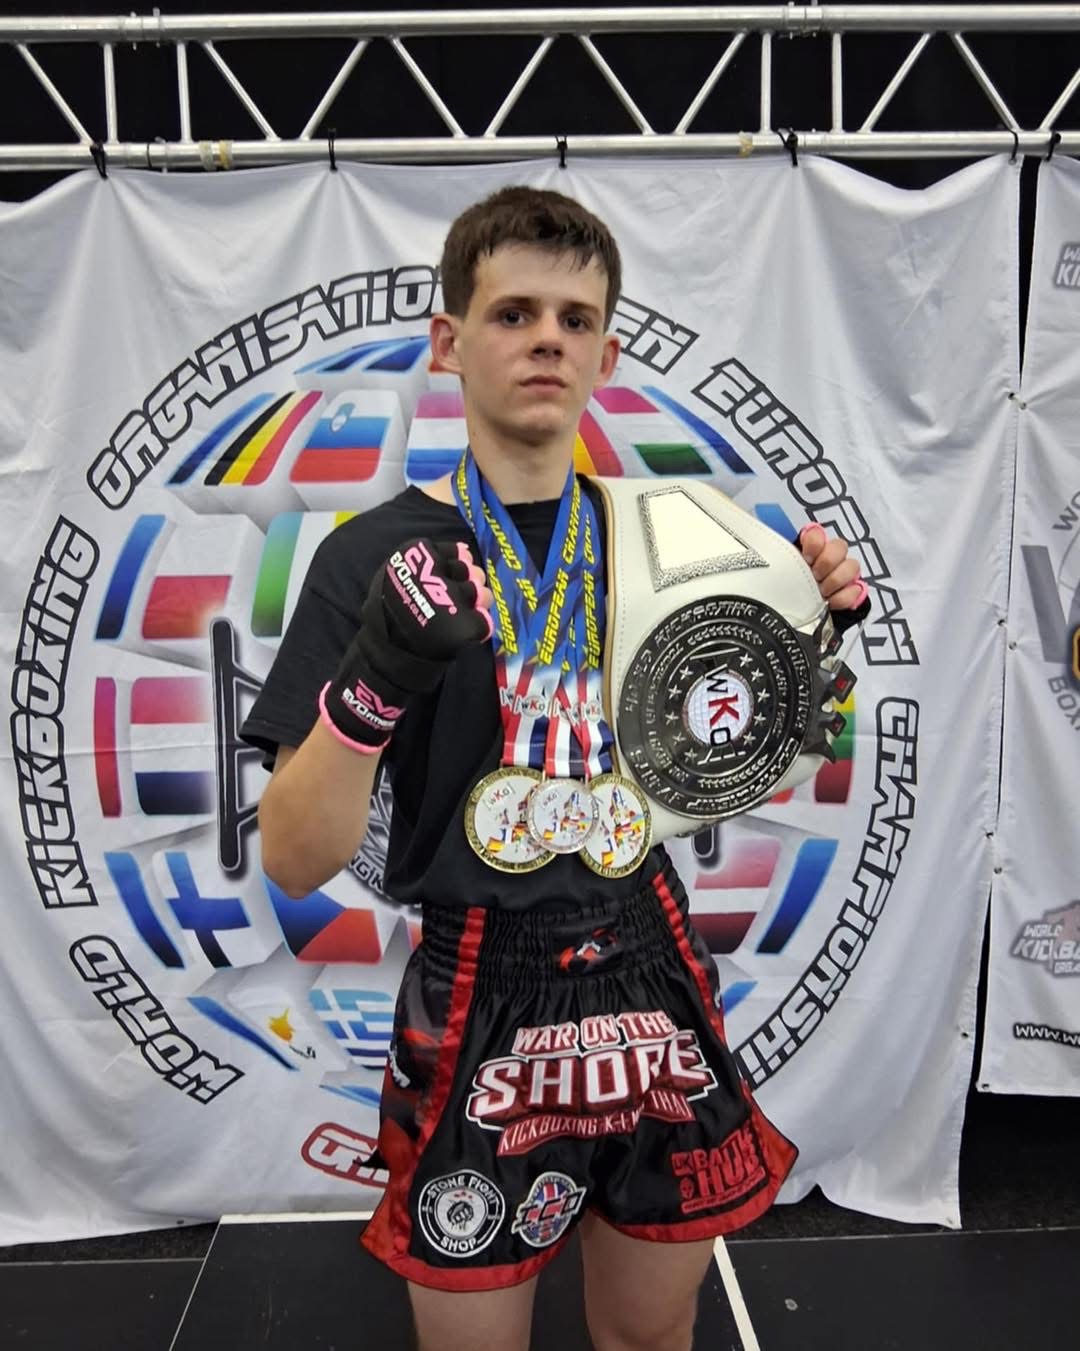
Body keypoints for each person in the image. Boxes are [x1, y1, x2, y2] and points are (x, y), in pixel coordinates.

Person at [242, 186, 868, 1351]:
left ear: (606, 353)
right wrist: (375, 680)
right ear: (449, 342)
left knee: (651, 1336)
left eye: (575, 319)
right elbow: (291, 854)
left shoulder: (676, 536)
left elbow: (746, 766)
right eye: (514, 312)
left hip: (651, 960)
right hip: (480, 977)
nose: (547, 339)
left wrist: (803, 650)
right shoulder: (370, 557)